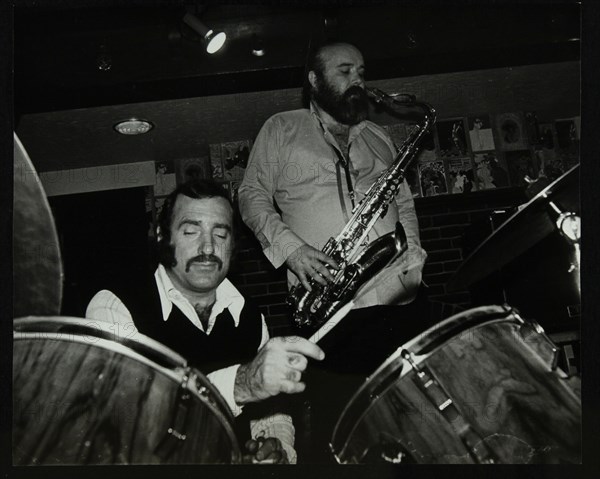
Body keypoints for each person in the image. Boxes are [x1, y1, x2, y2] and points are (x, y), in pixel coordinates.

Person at [238, 42, 428, 461]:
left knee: (418, 425)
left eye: (361, 70)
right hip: (330, 310)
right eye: (344, 71)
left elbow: (406, 202)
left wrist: (413, 250)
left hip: (398, 302)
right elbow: (251, 195)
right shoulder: (281, 128)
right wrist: (292, 251)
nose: (357, 79)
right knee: (346, 436)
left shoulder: (377, 137)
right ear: (314, 81)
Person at [86, 179, 325, 464]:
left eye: (221, 234)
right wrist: (241, 384)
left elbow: (272, 410)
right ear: (163, 236)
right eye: (190, 231)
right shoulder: (114, 305)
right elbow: (125, 417)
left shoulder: (250, 317)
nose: (208, 247)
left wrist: (278, 446)